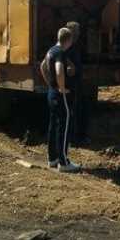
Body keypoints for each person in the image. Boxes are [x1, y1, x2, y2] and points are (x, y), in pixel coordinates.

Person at [40, 27, 81, 173]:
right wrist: (62, 87)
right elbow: (59, 70)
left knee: (53, 124)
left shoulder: (51, 50)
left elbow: (43, 66)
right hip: (60, 95)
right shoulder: (61, 53)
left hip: (51, 93)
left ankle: (52, 159)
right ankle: (63, 162)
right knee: (64, 125)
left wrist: (49, 84)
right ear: (69, 40)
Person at [65, 21, 86, 144]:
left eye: (78, 31)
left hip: (76, 81)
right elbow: (61, 55)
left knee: (79, 108)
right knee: (71, 110)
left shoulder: (75, 45)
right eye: (75, 31)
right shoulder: (66, 45)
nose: (77, 33)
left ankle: (77, 136)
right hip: (70, 82)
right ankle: (72, 138)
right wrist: (70, 65)